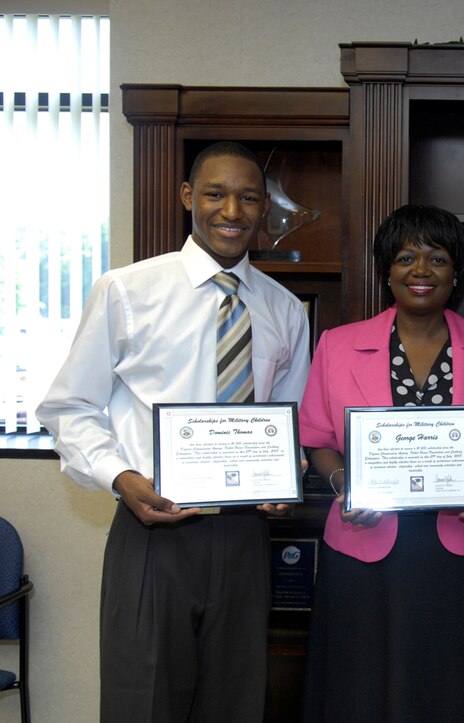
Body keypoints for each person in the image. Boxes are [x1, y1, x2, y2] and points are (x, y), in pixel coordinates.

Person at [37, 141, 312, 722]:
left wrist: (289, 478)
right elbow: (70, 406)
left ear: (263, 208)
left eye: (247, 198)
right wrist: (121, 478)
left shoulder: (286, 311)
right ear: (188, 196)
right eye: (215, 194)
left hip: (242, 539)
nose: (231, 211)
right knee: (145, 699)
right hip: (152, 532)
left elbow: (289, 429)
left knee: (235, 702)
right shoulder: (127, 290)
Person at [298, 204, 464, 721]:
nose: (421, 270)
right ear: (386, 271)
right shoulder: (336, 345)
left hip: (463, 548)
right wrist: (344, 486)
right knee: (362, 689)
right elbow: (316, 436)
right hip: (366, 545)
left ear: (457, 272)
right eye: (406, 257)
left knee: (458, 687)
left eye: (437, 258)